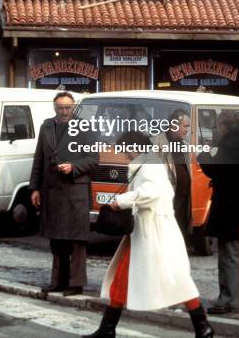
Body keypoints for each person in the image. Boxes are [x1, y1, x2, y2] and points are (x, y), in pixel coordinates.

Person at [83, 130, 214, 338]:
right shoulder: (147, 163)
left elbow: (153, 193)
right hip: (149, 231)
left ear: (134, 147)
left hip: (155, 232)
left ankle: (202, 325)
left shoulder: (149, 165)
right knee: (130, 277)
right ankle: (107, 329)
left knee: (176, 279)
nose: (124, 155)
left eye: (125, 150)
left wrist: (121, 201)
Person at [29, 91, 98, 296]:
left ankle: (75, 283)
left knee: (77, 240)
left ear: (73, 107)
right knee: (56, 237)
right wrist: (34, 188)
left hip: (75, 189)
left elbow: (93, 158)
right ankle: (57, 281)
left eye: (68, 107)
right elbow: (39, 159)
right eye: (60, 107)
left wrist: (74, 166)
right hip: (52, 190)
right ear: (54, 107)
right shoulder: (46, 126)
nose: (64, 111)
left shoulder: (84, 127)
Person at [197, 110, 239, 314]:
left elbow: (215, 169)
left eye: (218, 126)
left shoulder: (229, 144)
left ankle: (229, 299)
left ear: (224, 127)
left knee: (228, 254)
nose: (217, 130)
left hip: (228, 207)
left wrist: (204, 153)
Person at [154, 108, 192, 240]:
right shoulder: (157, 143)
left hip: (183, 205)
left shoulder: (185, 146)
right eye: (185, 126)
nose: (187, 130)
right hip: (166, 204)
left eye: (188, 126)